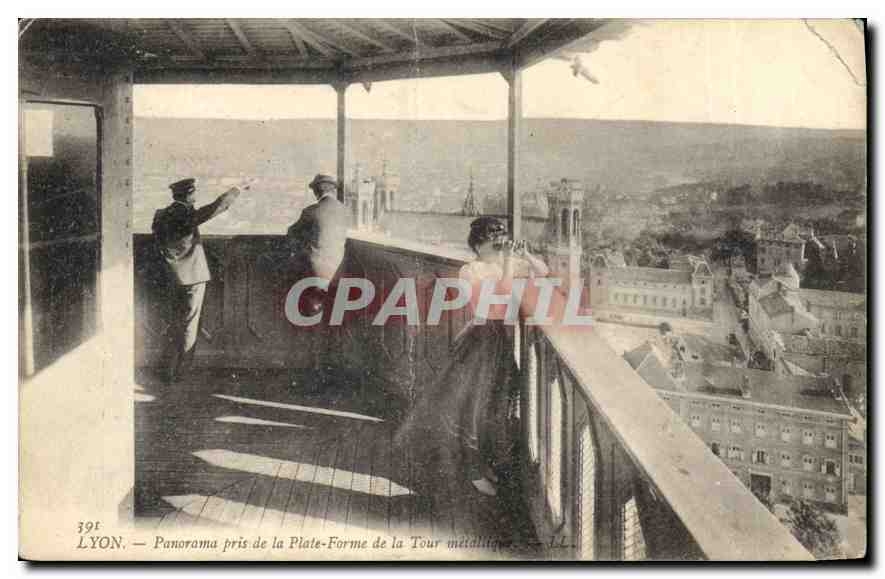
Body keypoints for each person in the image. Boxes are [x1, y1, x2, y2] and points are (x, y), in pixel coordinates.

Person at [393, 216, 549, 497]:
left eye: (501, 239)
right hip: (482, 339)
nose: (500, 245)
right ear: (478, 244)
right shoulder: (471, 270)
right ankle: (473, 471)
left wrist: (524, 254)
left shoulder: (507, 263)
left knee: (496, 404)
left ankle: (484, 465)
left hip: (499, 340)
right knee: (473, 408)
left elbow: (544, 271)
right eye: (494, 240)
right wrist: (505, 266)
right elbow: (497, 299)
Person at [152, 178, 240, 383]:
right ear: (189, 194)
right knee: (189, 324)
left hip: (170, 276)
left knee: (173, 323)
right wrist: (236, 190)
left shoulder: (161, 215)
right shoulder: (187, 214)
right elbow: (217, 207)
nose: (195, 195)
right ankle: (180, 373)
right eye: (194, 193)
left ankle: (167, 369)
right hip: (192, 277)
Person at [286, 174, 349, 388]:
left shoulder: (310, 212)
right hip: (339, 274)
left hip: (315, 274)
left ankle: (315, 375)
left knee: (314, 325)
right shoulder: (345, 211)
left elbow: (291, 233)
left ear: (318, 191)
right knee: (334, 324)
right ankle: (334, 376)